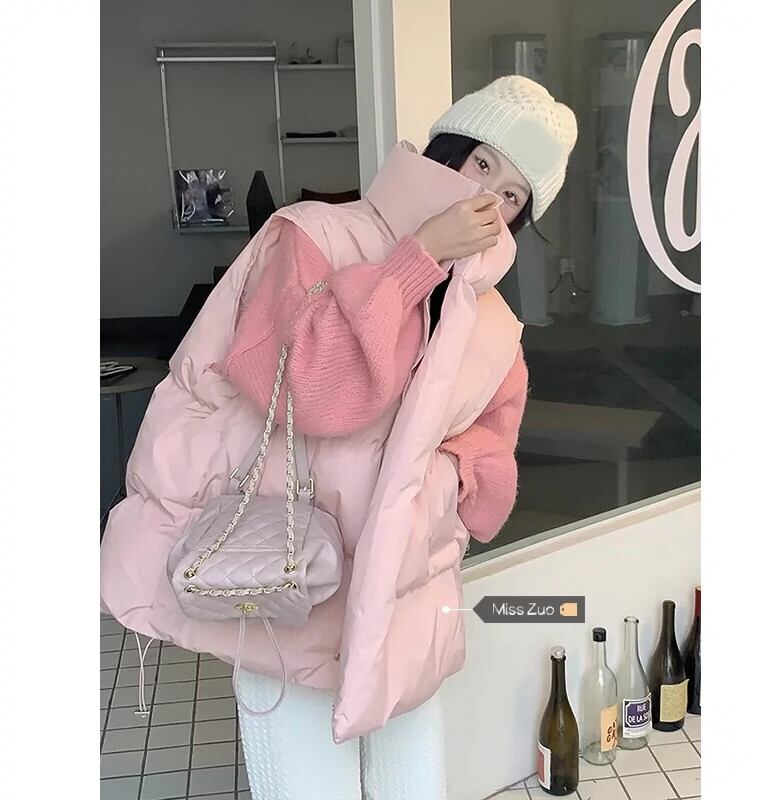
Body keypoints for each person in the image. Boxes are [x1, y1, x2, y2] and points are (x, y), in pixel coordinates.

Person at [98, 75, 577, 800]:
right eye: (483, 164)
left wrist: (445, 478)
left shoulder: (492, 320)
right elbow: (311, 391)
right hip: (293, 589)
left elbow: (491, 463)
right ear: (448, 150)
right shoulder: (312, 235)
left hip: (405, 605)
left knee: (414, 789)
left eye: (513, 195)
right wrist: (417, 259)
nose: (488, 199)